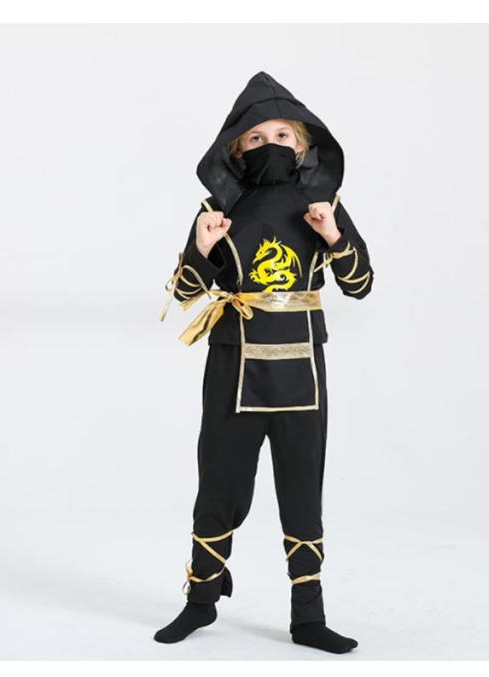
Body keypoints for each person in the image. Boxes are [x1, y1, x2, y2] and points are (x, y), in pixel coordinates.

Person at [155, 71, 374, 654]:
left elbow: (360, 285)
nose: (268, 144)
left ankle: (308, 617)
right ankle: (201, 600)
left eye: (281, 134)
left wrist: (333, 236)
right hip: (233, 366)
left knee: (302, 489)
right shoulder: (217, 208)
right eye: (254, 137)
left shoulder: (323, 207)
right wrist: (202, 247)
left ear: (302, 143)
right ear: (235, 149)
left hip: (302, 369)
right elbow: (184, 292)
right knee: (219, 481)